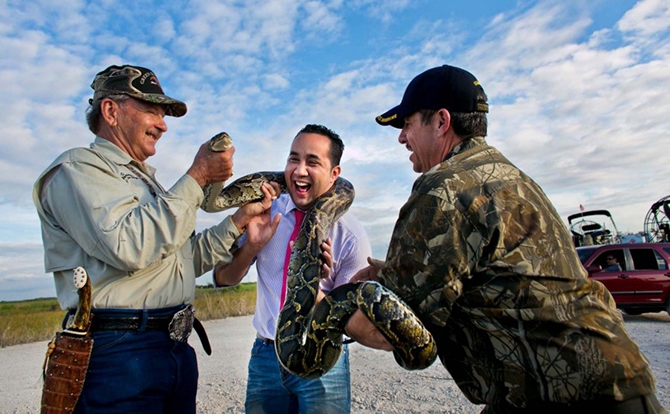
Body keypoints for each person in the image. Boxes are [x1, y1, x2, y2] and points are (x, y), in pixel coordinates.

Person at [347, 65, 666, 413]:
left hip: (565, 398)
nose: (401, 137)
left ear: (441, 121)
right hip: (615, 384)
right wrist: (391, 275)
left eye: (407, 123)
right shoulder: (513, 178)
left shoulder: (443, 190)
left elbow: (397, 333)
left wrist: (324, 302)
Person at [33, 64, 276, 413]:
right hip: (117, 354)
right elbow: (131, 247)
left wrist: (239, 220)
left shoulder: (150, 185)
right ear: (110, 111)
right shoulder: (76, 170)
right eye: (151, 110)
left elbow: (182, 261)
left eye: (164, 114)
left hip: (172, 348)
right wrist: (198, 175)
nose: (162, 124)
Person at [214, 124, 372, 414]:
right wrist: (251, 247)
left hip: (323, 358)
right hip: (265, 357)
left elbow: (354, 321)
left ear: (334, 174)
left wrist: (317, 291)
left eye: (312, 162)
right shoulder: (264, 215)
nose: (299, 170)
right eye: (293, 159)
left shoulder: (350, 235)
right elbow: (223, 279)